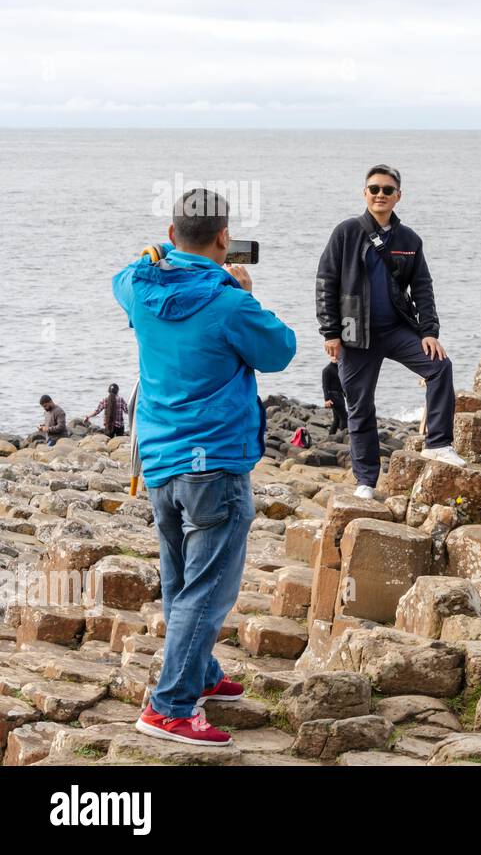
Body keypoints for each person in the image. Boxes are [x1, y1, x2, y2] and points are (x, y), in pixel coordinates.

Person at [112, 187, 297, 747]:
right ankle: (169, 707)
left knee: (181, 579)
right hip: (214, 464)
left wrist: (156, 258)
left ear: (171, 236)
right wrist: (243, 291)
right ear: (224, 239)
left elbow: (122, 274)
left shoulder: (140, 287)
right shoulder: (229, 302)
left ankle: (203, 673)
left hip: (161, 462)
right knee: (208, 587)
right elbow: (280, 351)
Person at [315, 164, 465, 501]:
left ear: (398, 195)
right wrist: (330, 333)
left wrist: (429, 331)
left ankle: (438, 444)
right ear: (364, 193)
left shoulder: (409, 240)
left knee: (439, 366)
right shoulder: (346, 232)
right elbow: (326, 282)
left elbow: (423, 288)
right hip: (355, 334)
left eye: (387, 190)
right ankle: (366, 479)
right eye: (374, 189)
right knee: (360, 405)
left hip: (397, 328)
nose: (380, 194)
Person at [322, 361, 346, 436]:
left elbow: (341, 385)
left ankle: (331, 436)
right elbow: (325, 386)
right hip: (333, 397)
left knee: (337, 419)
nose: (336, 357)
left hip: (340, 396)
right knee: (344, 417)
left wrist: (346, 395)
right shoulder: (327, 370)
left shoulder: (340, 368)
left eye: (337, 356)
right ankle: (343, 436)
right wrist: (326, 399)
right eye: (333, 356)